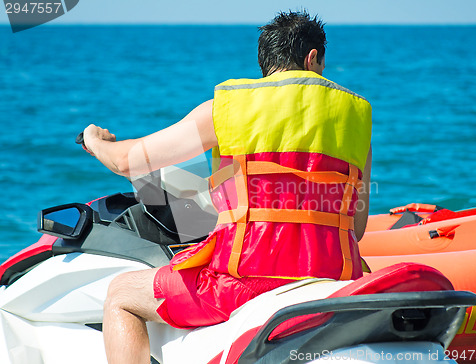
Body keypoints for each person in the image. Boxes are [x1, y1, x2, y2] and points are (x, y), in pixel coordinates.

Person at [83, 10, 372, 364]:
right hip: (333, 273)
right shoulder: (357, 117)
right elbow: (355, 229)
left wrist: (95, 141)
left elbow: (129, 162)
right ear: (313, 59)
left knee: (120, 295)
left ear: (266, 62)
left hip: (241, 283)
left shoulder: (228, 108)